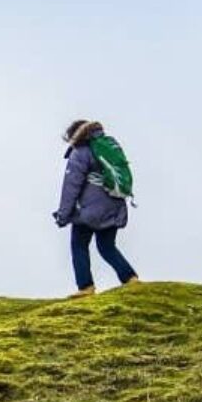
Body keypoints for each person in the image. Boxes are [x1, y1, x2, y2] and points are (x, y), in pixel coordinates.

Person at [54, 119, 141, 297]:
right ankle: (131, 279)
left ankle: (86, 287)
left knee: (79, 245)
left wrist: (63, 215)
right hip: (114, 206)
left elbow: (71, 186)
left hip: (88, 211)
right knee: (107, 246)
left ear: (74, 136)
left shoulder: (80, 152)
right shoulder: (108, 148)